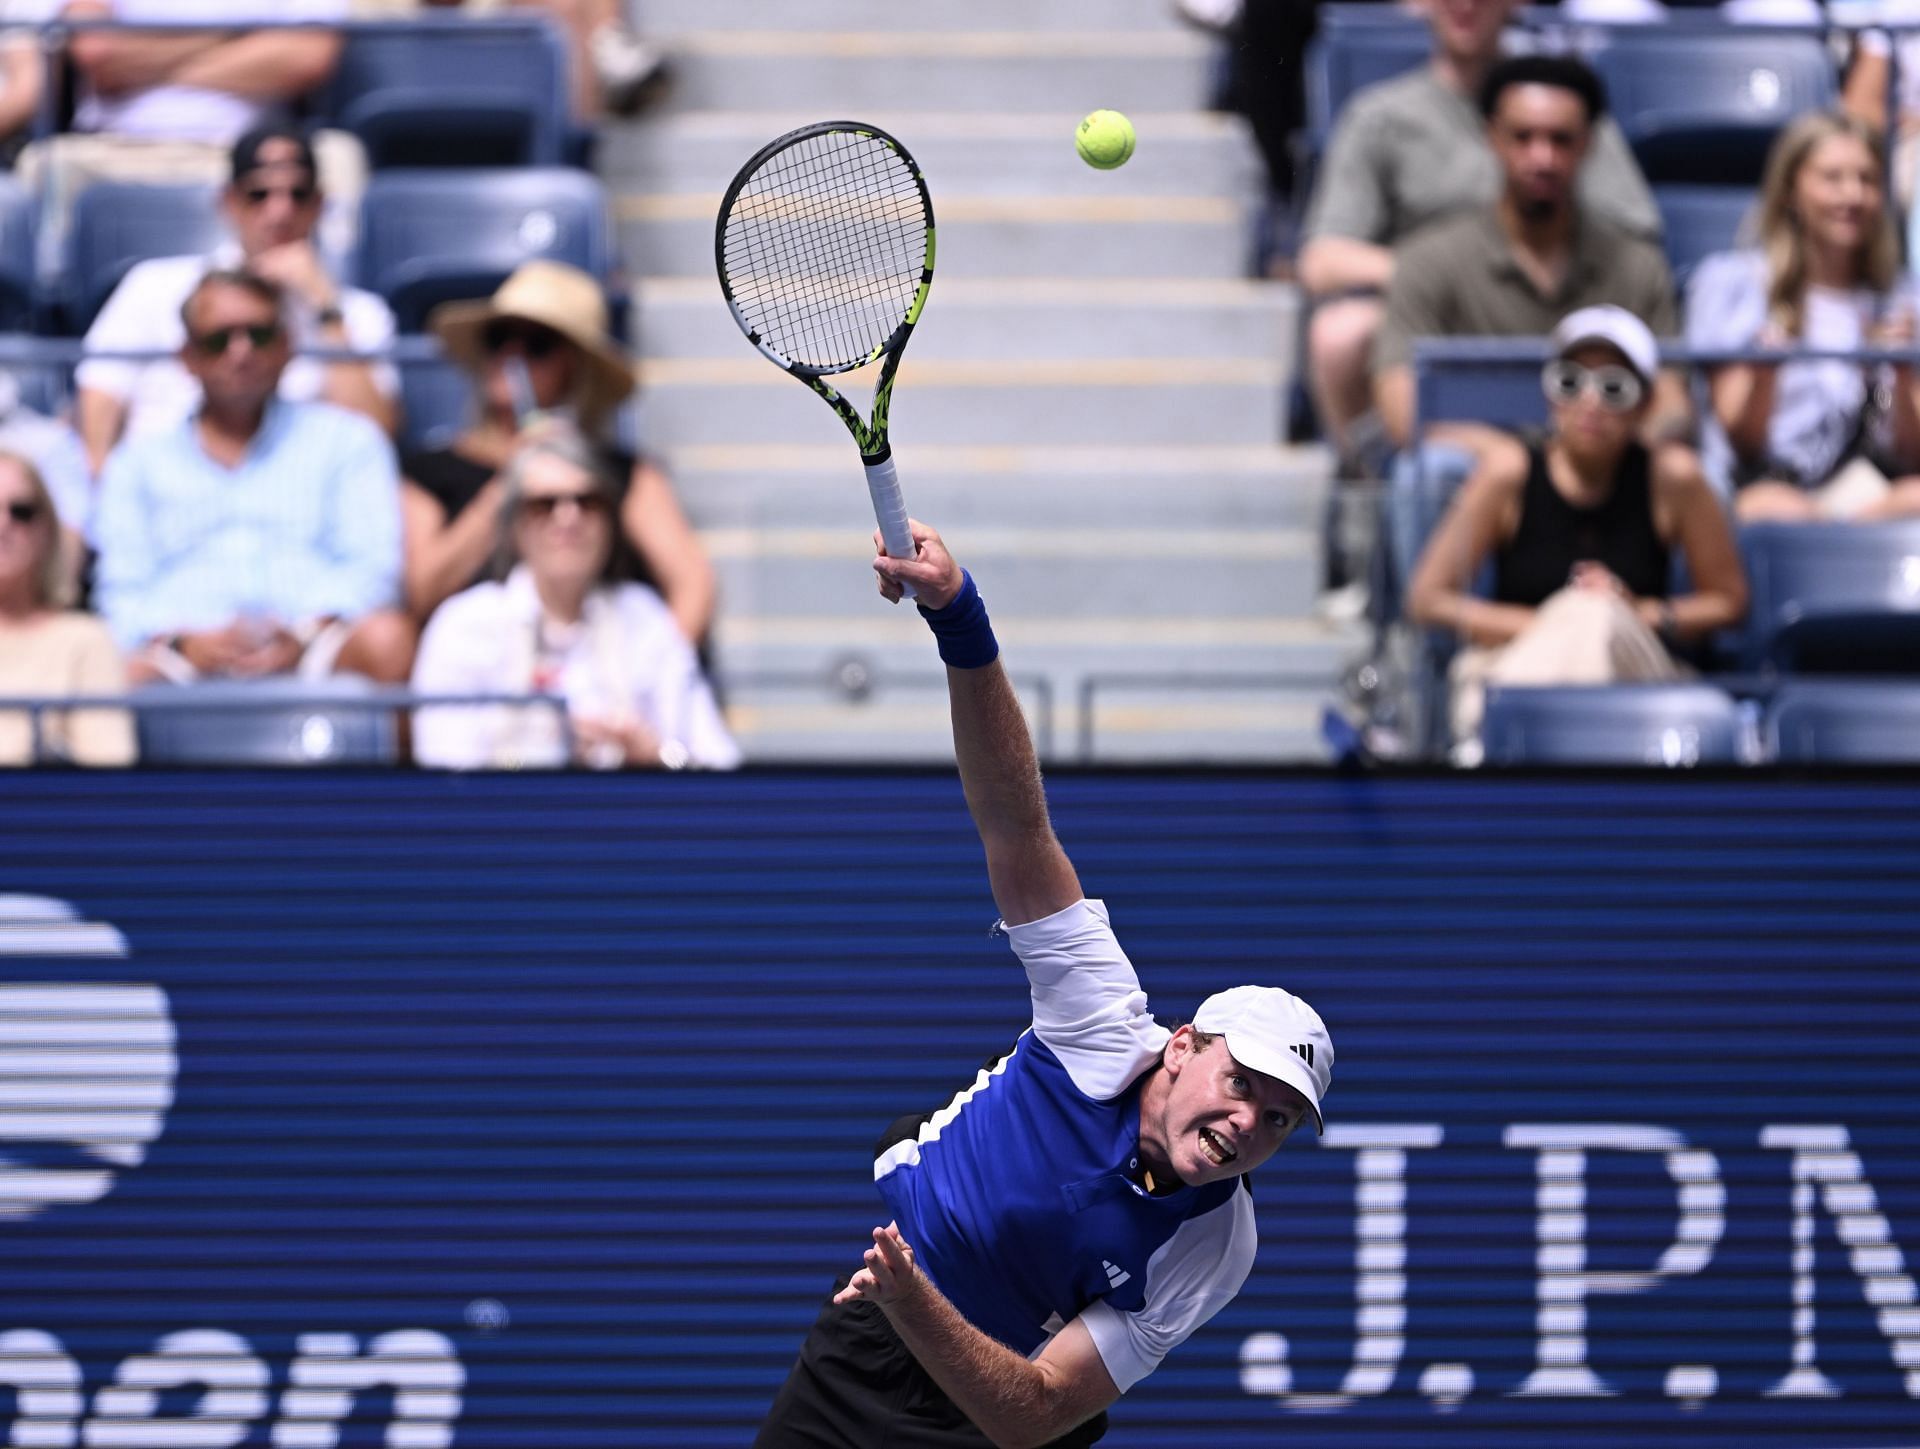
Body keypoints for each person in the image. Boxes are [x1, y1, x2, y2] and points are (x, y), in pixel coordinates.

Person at [754, 522, 1335, 1446]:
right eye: (1242, 1083)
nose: (1247, 1125)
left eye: (1276, 1119)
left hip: (1002, 1412)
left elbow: (1030, 1411)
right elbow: (1017, 827)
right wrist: (960, 619)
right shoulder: (1102, 1015)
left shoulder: (1218, 1243)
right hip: (869, 1353)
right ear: (1181, 1047)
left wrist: (919, 1307)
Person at [1298, 0, 1658, 458]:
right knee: (1341, 332)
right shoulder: (1381, 117)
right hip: (1434, 316)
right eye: (1521, 138)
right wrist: (1435, 274)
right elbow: (1321, 259)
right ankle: (1367, 494)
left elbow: (1636, 230)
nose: (1466, 5)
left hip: (1554, 302)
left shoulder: (1558, 104)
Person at [1406, 306, 1747, 752]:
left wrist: (1638, 613)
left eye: (1613, 388)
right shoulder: (1507, 473)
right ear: (1549, 395)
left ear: (1644, 405)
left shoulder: (1673, 479)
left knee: (1597, 616)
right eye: (1570, 382)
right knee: (1587, 614)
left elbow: (1730, 602)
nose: (1590, 402)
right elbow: (1426, 599)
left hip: (1631, 677)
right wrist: (1557, 619)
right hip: (1518, 661)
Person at [92, 270, 412, 687]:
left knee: (388, 640)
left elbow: (374, 570)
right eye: (218, 340)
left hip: (314, 640)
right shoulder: (135, 463)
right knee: (113, 677)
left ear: (286, 347)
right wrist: (185, 643)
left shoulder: (348, 441)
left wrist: (303, 632)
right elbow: (120, 596)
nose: (240, 353)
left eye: (257, 336)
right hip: (180, 654)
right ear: (187, 357)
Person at [1373, 54, 1689, 453]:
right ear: (1492, 138)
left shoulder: (1639, 266)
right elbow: (1402, 409)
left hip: (1604, 467)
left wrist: (1597, 455)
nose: (1542, 159)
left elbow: (1673, 402)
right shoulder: (1428, 260)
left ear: (1588, 144)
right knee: (1437, 468)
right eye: (1523, 137)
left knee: (1688, 472)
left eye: (1561, 139)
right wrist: (1511, 462)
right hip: (1479, 471)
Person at [404, 262, 715, 646]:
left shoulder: (624, 474)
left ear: (574, 368)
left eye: (537, 344)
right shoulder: (430, 471)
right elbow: (420, 595)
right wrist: (514, 480)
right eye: (499, 338)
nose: (512, 356)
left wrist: (650, 681)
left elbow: (693, 585)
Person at [75, 122, 398, 475]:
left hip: (300, 507)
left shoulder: (357, 313)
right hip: (161, 501)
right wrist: (104, 496)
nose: (280, 212)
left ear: (319, 203)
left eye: (298, 194)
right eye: (259, 195)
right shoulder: (153, 286)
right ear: (229, 202)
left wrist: (324, 305)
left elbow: (374, 438)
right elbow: (99, 396)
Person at [411, 427, 736, 771]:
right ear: (513, 525)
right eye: (543, 505)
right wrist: (536, 758)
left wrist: (655, 757)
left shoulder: (644, 619)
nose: (568, 517)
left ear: (610, 522)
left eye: (587, 502)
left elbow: (717, 760)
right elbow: (443, 773)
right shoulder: (464, 626)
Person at [1686, 112, 1920, 522]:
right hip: (1770, 489)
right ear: (1791, 190)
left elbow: (1910, 453)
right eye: (1832, 178)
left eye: (1866, 179)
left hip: (1873, 496)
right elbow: (1743, 444)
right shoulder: (1734, 284)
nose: (1852, 195)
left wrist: (1901, 375)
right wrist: (1765, 374)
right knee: (1770, 507)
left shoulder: (1902, 298)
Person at [21, 1, 362, 277]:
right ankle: (49, 326)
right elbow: (98, 52)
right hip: (113, 150)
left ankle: (330, 306)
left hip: (250, 159)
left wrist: (148, 62)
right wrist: (236, 31)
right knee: (43, 163)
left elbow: (306, 57)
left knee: (340, 157)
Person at [0, 450, 134, 766]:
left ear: (47, 530)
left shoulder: (86, 639)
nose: (2, 524)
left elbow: (107, 772)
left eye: (21, 511)